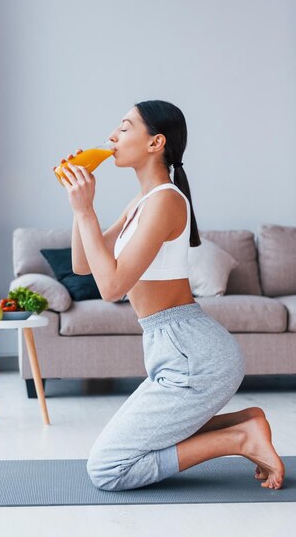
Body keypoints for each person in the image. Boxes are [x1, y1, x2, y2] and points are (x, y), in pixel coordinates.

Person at [57, 99, 285, 492]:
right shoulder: (143, 202)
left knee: (108, 470)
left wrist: (87, 212)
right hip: (175, 349)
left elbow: (112, 288)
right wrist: (80, 208)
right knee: (124, 451)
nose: (112, 136)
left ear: (155, 142)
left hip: (194, 356)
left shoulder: (165, 200)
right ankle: (243, 423)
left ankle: (240, 439)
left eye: (125, 127)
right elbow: (83, 265)